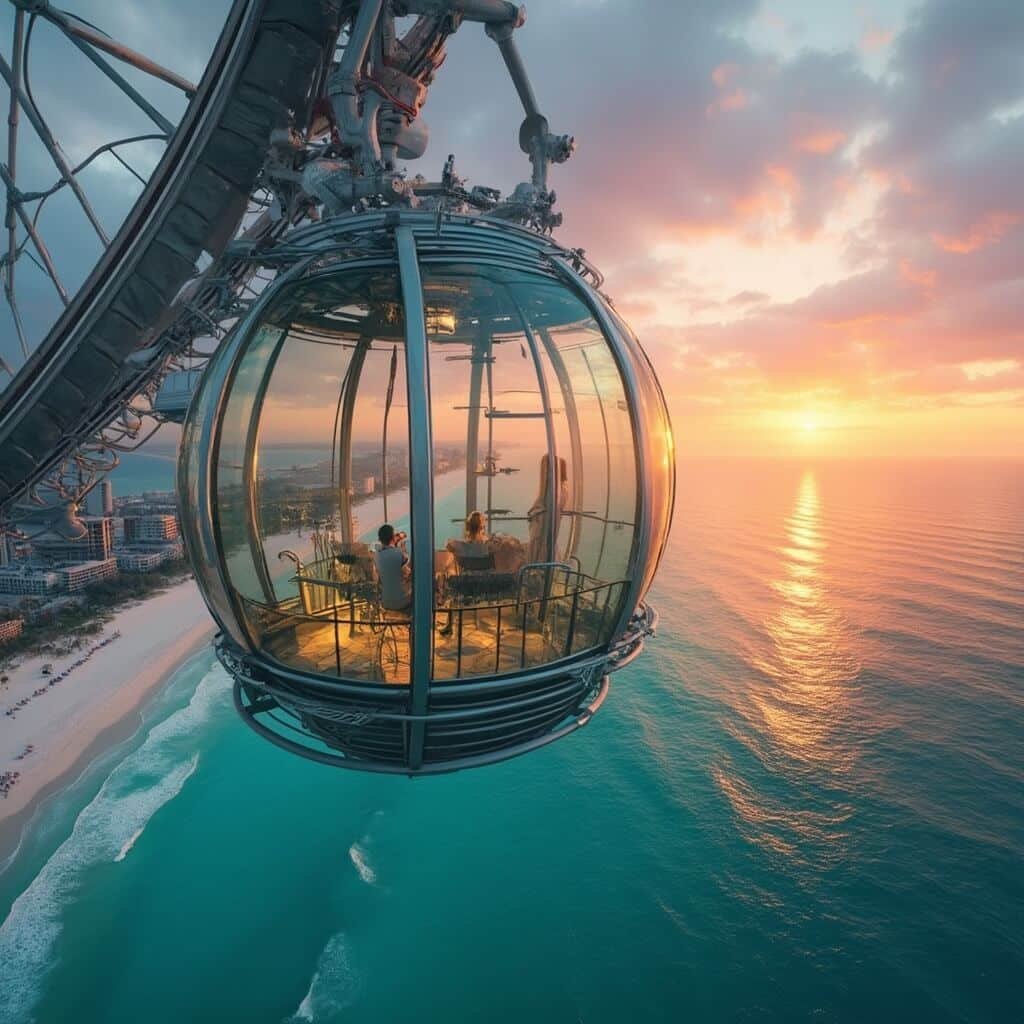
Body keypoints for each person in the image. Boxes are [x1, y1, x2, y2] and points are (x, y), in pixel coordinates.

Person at [526, 453, 568, 564]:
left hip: (542, 530)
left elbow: (543, 510)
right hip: (548, 530)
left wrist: (534, 513)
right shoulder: (562, 489)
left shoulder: (552, 490)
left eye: (546, 470)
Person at [374, 524, 411, 612]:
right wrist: (402, 547)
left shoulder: (377, 556)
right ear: (393, 537)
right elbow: (408, 572)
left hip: (385, 602)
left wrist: (395, 544)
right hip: (402, 601)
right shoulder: (400, 553)